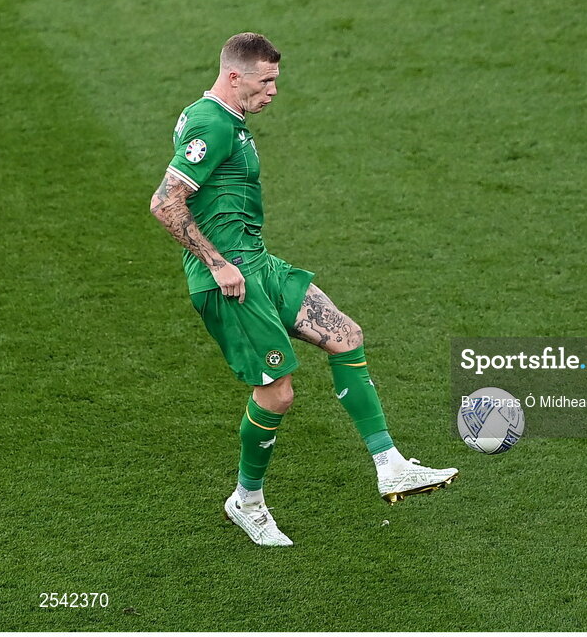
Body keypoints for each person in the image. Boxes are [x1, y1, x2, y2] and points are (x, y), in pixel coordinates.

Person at [150, 32, 457, 547]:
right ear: (234, 76)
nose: (273, 91)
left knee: (345, 335)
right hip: (230, 280)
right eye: (265, 81)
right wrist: (218, 262)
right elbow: (164, 202)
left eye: (276, 80)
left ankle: (390, 466)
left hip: (259, 264)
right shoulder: (211, 123)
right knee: (277, 393)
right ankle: (246, 501)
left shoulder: (227, 119)